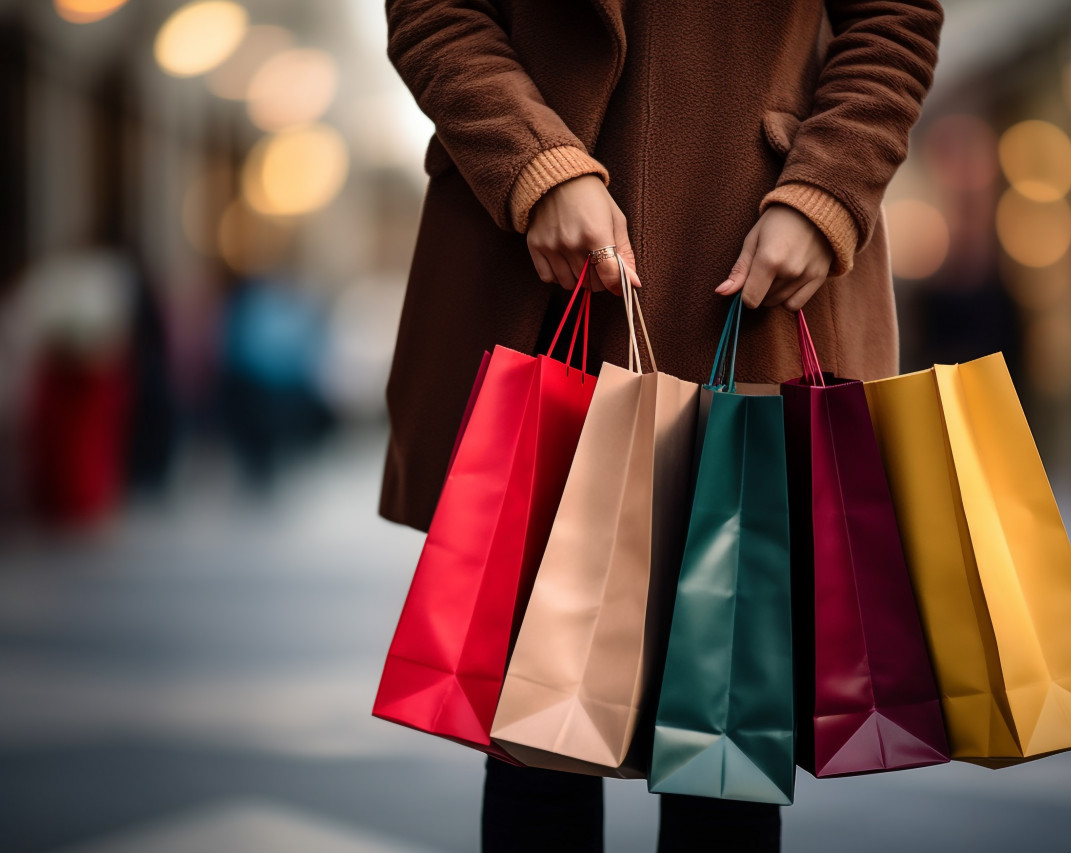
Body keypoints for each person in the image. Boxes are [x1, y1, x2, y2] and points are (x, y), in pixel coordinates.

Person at [378, 1, 944, 850]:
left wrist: (828, 185)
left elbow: (895, 19)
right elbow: (434, 11)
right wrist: (537, 164)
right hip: (542, 279)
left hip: (758, 269)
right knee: (541, 743)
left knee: (727, 743)